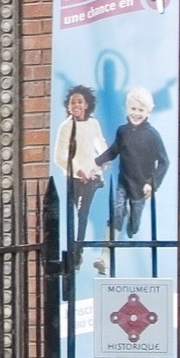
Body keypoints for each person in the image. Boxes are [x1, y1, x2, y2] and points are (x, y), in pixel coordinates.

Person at [100, 86, 171, 239]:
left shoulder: (152, 135)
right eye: (133, 108)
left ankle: (132, 224)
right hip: (123, 182)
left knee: (134, 221)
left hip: (140, 186)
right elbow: (113, 151)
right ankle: (107, 251)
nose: (136, 113)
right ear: (127, 109)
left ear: (147, 113)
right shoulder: (122, 131)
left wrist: (151, 183)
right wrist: (97, 162)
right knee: (117, 210)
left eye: (141, 110)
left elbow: (164, 162)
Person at [51, 83, 105, 272]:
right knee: (73, 215)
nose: (76, 105)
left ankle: (78, 251)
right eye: (73, 102)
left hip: (90, 177)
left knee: (84, 214)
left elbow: (101, 146)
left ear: (86, 105)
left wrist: (96, 167)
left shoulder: (93, 124)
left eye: (80, 102)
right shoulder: (66, 127)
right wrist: (77, 170)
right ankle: (74, 250)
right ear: (68, 106)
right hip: (73, 178)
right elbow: (59, 156)